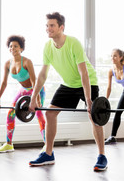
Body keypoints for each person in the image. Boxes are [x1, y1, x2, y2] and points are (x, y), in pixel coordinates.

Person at [28, 12, 107, 171]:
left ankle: (102, 156)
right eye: (47, 25)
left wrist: (88, 100)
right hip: (68, 84)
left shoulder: (73, 43)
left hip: (87, 82)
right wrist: (33, 97)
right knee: (50, 113)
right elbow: (43, 75)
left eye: (52, 25)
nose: (48, 29)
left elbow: (83, 73)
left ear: (61, 27)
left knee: (94, 117)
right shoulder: (48, 47)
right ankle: (48, 153)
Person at [0, 35, 46, 153]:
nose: (13, 48)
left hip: (37, 89)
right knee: (10, 113)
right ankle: (9, 144)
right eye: (11, 46)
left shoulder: (27, 62)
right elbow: (3, 83)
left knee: (39, 114)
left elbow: (34, 82)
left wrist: (37, 99)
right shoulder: (8, 64)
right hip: (23, 90)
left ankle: (46, 145)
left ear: (21, 48)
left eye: (16, 46)